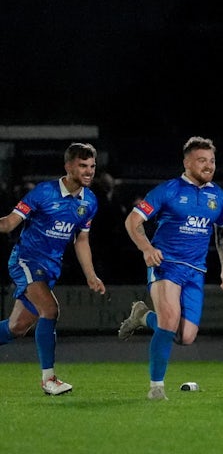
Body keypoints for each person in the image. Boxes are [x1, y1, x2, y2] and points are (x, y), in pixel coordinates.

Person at [118, 136, 223, 400]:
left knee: (185, 337)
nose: (209, 166)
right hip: (166, 263)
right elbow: (133, 220)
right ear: (187, 162)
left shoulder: (217, 195)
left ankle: (142, 316)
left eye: (212, 161)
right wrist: (147, 248)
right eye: (202, 160)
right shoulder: (168, 190)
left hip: (196, 270)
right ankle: (156, 387)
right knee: (169, 321)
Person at [0, 143, 105, 395]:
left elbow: (81, 240)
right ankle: (49, 380)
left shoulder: (89, 201)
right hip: (26, 260)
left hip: (49, 269)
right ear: (68, 166)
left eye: (92, 166)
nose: (89, 171)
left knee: (17, 327)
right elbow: (8, 224)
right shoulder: (43, 193)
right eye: (83, 166)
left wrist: (91, 275)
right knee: (50, 309)